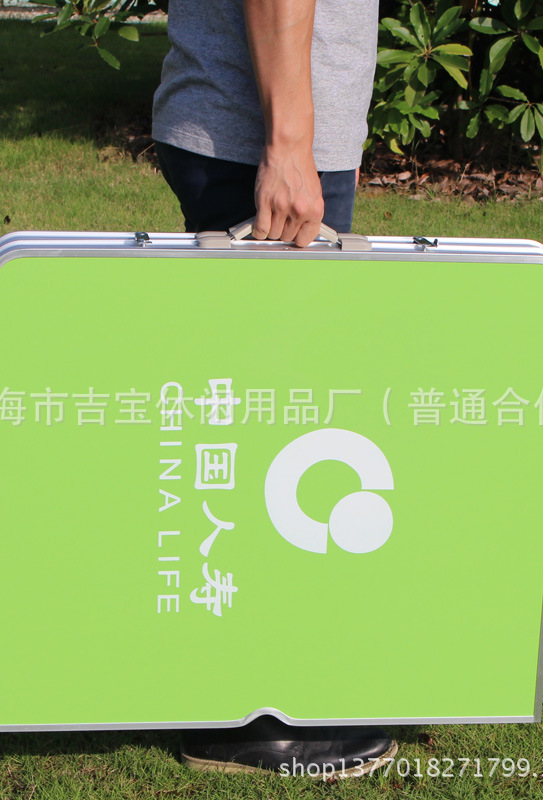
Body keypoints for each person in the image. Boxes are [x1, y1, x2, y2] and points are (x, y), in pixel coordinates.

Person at [151, 0, 397, 777]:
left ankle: (254, 691)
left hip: (259, 130)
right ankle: (254, 720)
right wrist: (290, 147)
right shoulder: (277, 146)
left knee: (264, 418)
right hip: (259, 141)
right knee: (271, 428)